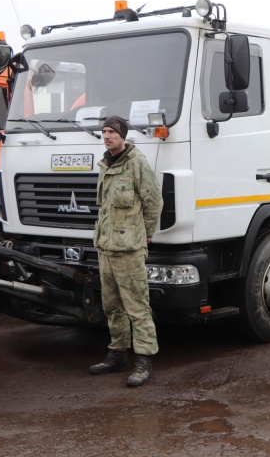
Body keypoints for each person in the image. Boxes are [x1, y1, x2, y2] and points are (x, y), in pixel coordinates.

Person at [90, 116, 163, 387]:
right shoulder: (105, 164)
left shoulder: (136, 163)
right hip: (106, 247)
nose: (107, 136)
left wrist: (147, 234)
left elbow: (154, 201)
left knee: (137, 306)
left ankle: (144, 360)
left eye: (111, 132)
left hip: (129, 248)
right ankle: (117, 354)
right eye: (104, 131)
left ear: (122, 135)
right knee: (111, 305)